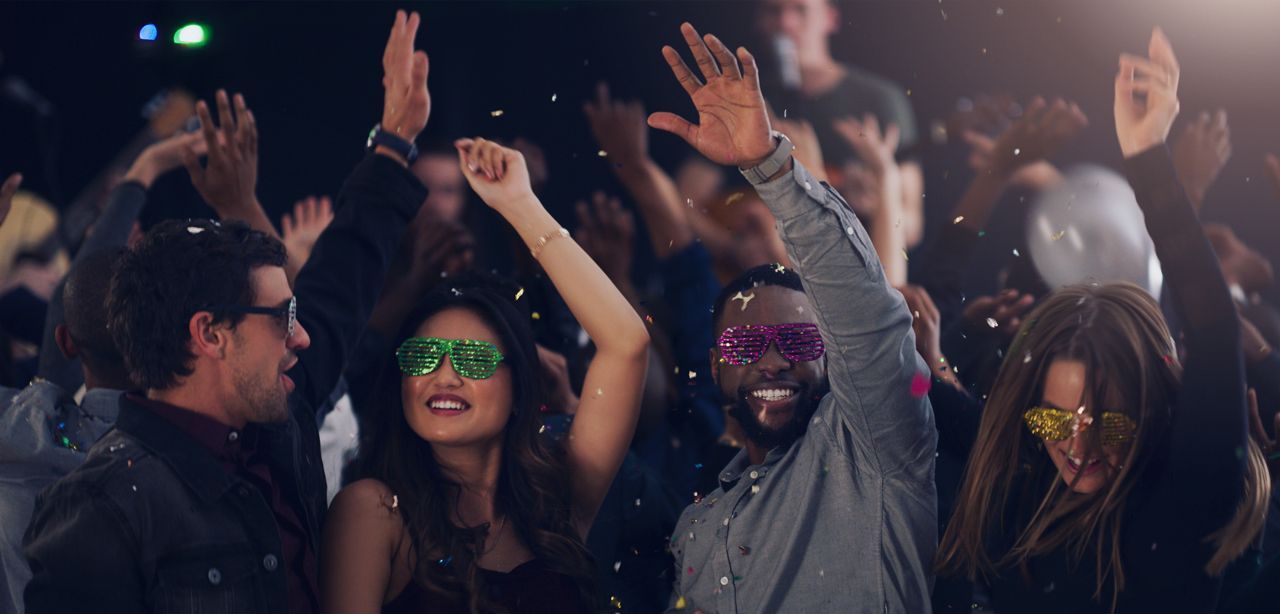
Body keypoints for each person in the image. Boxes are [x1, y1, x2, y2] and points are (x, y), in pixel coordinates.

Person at [21, 10, 431, 612]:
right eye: (283, 318)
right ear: (209, 333)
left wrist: (393, 142)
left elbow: (343, 280)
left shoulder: (279, 421)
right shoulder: (100, 508)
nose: (303, 338)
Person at [935, 29, 1269, 613]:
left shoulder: (1186, 499)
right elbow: (913, 384)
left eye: (1112, 423)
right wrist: (932, 363)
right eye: (1052, 419)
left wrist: (1148, 157)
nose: (1079, 442)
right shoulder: (1022, 481)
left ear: (1152, 411)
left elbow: (1214, 330)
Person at [648, 22, 936, 612]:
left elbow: (863, 308)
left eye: (799, 340)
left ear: (831, 351)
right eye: (745, 344)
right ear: (715, 366)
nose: (773, 360)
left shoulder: (874, 455)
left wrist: (771, 169)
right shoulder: (697, 525)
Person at [319, 136, 649, 612]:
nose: (444, 376)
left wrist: (520, 205)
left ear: (518, 388)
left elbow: (626, 344)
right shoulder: (374, 510)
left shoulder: (557, 494)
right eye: (423, 356)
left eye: (473, 359)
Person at [0, 130, 201, 614]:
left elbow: (70, 307)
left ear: (66, 341)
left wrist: (143, 172)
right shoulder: (196, 453)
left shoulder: (19, 430)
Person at [755, 0, 925, 247]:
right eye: (774, 11)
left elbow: (910, 226)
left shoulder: (880, 100)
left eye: (801, 9)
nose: (785, 22)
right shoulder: (752, 99)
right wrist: (731, 245)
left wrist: (878, 204)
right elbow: (697, 199)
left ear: (831, 18)